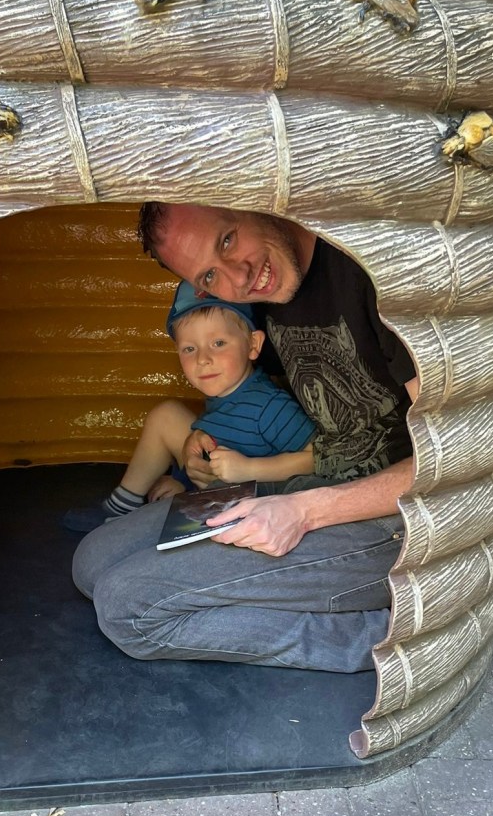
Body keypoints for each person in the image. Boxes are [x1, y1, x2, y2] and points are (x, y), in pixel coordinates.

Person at [72, 203, 420, 674]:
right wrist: (197, 448)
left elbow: (455, 454)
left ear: (254, 200)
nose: (238, 278)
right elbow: (251, 398)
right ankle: (279, 592)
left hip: (383, 520)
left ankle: (374, 640)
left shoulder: (369, 273)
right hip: (298, 487)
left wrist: (303, 511)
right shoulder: (268, 297)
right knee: (91, 563)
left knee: (126, 608)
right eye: (210, 277)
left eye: (228, 240)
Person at [63, 280, 316, 532]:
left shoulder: (270, 407)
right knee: (166, 415)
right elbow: (214, 439)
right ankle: (122, 504)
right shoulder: (226, 393)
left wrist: (250, 469)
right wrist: (184, 481)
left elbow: (316, 459)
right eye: (189, 348)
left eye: (218, 343)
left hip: (253, 505)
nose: (203, 359)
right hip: (215, 485)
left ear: (253, 344)